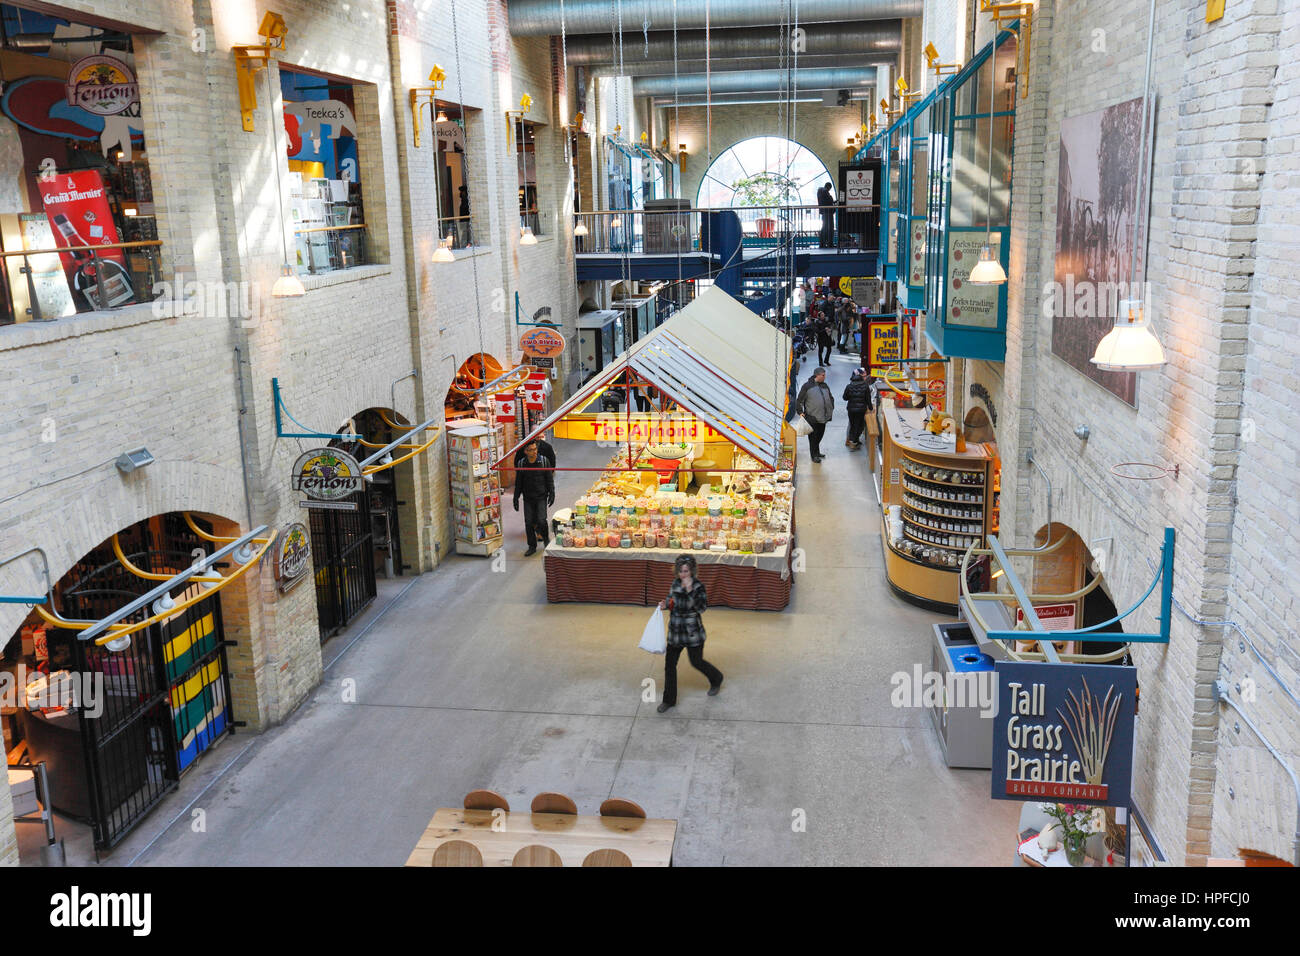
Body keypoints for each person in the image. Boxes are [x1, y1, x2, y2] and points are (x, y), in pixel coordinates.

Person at [656, 555, 723, 713]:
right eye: (680, 571)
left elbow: (701, 608)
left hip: (693, 632)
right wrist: (665, 604)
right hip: (676, 632)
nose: (683, 575)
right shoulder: (675, 584)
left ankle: (716, 678)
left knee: (696, 661)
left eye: (686, 571)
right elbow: (671, 600)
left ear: (692, 571)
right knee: (670, 665)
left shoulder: (699, 586)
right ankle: (669, 700)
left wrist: (690, 590)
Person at [512, 439, 554, 556]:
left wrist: (552, 493)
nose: (534, 452)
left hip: (541, 496)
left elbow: (549, 480)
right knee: (529, 522)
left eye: (535, 449)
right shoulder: (521, 464)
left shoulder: (544, 461)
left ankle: (546, 540)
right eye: (531, 450)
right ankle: (532, 546)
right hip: (528, 498)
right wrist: (515, 498)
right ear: (525, 451)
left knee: (541, 520)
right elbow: (518, 483)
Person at [796, 366, 834, 463]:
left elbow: (830, 397)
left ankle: (817, 452)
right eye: (823, 375)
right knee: (813, 438)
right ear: (817, 375)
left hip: (823, 416)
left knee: (820, 435)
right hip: (812, 417)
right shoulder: (807, 386)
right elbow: (799, 400)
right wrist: (800, 412)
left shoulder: (825, 385)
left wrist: (831, 407)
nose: (825, 377)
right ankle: (814, 455)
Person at [843, 367, 873, 449]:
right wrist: (870, 408)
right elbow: (868, 399)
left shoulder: (849, 386)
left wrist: (851, 396)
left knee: (853, 425)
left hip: (851, 409)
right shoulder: (865, 386)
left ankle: (853, 440)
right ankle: (854, 441)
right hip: (861, 410)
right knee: (860, 425)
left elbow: (844, 398)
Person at [816, 181, 835, 248]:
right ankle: (830, 243)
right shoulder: (825, 191)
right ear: (828, 187)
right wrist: (832, 200)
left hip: (824, 212)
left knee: (824, 227)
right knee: (829, 227)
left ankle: (822, 243)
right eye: (829, 189)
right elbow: (829, 200)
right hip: (828, 212)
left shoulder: (820, 191)